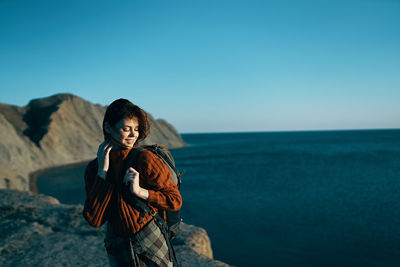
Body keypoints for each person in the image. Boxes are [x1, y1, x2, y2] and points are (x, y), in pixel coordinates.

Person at [82, 99, 182, 267]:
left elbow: (174, 200)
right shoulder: (94, 168)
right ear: (108, 128)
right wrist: (103, 171)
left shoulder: (146, 159)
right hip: (118, 245)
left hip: (150, 241)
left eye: (136, 129)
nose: (133, 135)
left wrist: (140, 191)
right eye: (126, 129)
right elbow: (94, 219)